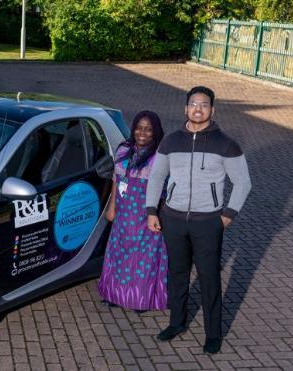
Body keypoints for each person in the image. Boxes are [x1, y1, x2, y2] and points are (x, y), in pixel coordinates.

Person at [146, 86, 251, 354]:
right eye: (193, 103)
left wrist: (228, 214)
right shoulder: (170, 141)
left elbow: (243, 183)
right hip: (173, 219)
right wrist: (151, 211)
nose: (198, 108)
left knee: (209, 278)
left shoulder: (226, 144)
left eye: (204, 104)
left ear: (212, 110)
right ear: (185, 108)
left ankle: (213, 334)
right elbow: (157, 176)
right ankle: (177, 323)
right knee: (177, 275)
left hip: (208, 222)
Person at [98, 111, 167, 313]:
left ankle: (139, 299)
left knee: (142, 259)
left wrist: (157, 215)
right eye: (138, 127)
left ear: (155, 132)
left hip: (146, 213)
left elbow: (164, 190)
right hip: (123, 212)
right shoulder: (123, 150)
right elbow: (115, 180)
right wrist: (111, 206)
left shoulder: (160, 157)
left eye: (148, 129)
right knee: (118, 254)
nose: (142, 133)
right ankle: (114, 294)